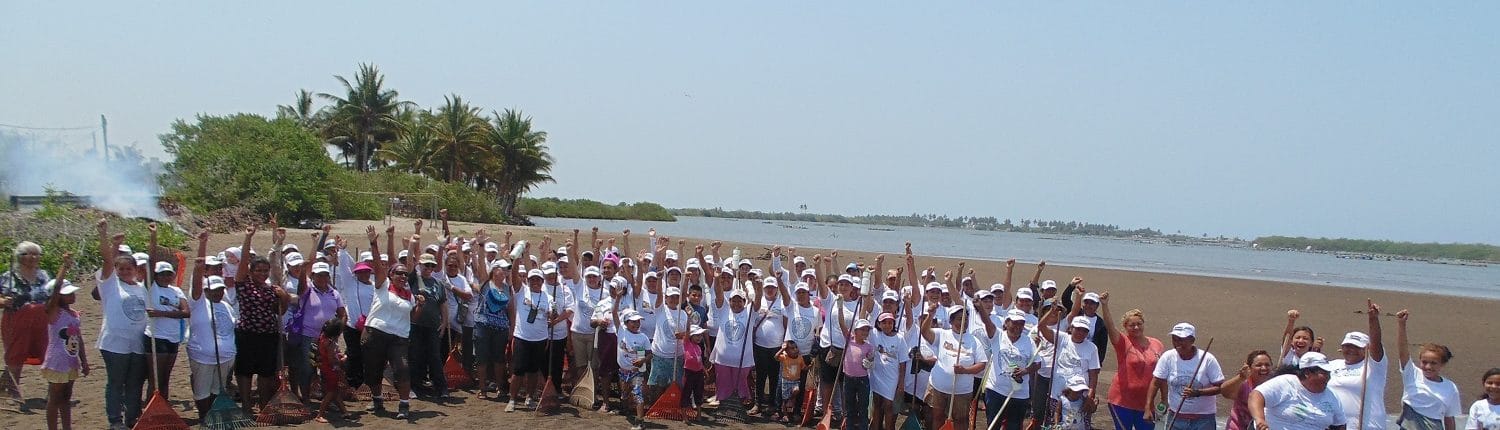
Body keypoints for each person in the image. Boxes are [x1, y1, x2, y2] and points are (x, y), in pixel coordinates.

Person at [92, 219, 150, 430]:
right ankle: (115, 421)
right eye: (121, 268)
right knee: (116, 382)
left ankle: (132, 418)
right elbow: (107, 261)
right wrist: (106, 237)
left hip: (137, 343)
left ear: (136, 269)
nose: (125, 271)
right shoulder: (109, 285)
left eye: (129, 268)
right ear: (116, 270)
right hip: (114, 343)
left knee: (134, 384)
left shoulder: (141, 287)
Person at [363, 225, 416, 418]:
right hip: (376, 332)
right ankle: (377, 400)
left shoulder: (409, 295)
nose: (402, 276)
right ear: (390, 275)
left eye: (405, 274)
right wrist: (374, 243)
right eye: (398, 273)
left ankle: (404, 405)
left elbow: (413, 317)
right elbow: (378, 265)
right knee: (373, 370)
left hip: (399, 337)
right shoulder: (382, 285)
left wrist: (420, 307)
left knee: (402, 368)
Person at [186, 231, 236, 419]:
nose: (217, 293)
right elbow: (197, 280)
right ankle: (204, 416)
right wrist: (202, 245)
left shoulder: (226, 304)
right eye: (213, 290)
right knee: (202, 390)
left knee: (217, 388)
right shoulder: (198, 302)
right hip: (203, 356)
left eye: (220, 290)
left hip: (225, 357)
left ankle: (214, 415)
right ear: (206, 290)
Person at [1098, 291, 1164, 430]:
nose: (1136, 327)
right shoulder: (1123, 342)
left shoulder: (1157, 344)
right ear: (1125, 327)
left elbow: (1162, 375)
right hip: (1122, 401)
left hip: (1146, 403)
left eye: (1139, 324)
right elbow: (1110, 327)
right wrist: (1105, 305)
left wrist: (1164, 399)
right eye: (1131, 325)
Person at [1146, 322, 1225, 430]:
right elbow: (1156, 382)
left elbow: (1221, 387)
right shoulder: (1168, 357)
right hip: (1176, 417)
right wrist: (1148, 407)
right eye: (1175, 339)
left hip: (1203, 420)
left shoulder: (1208, 359)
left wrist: (1198, 393)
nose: (1177, 342)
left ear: (1192, 340)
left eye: (1181, 339)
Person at [921, 303, 988, 430]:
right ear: (951, 321)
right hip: (938, 387)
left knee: (961, 420)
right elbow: (924, 332)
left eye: (966, 319)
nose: (963, 322)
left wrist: (965, 370)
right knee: (937, 417)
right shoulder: (942, 334)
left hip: (962, 391)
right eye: (959, 319)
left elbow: (982, 364)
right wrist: (930, 315)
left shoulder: (974, 341)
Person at [2, 240, 52, 404]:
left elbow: (53, 293)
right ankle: (13, 391)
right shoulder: (8, 276)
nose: (32, 257)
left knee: (49, 351)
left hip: (42, 318)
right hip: (17, 319)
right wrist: (3, 301)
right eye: (28, 254)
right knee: (15, 353)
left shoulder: (44, 275)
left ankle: (53, 391)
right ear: (19, 256)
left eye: (36, 254)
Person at [143, 230, 190, 401]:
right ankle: (151, 412)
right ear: (156, 275)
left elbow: (186, 312)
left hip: (172, 338)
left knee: (165, 380)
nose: (165, 277)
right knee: (155, 380)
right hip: (156, 337)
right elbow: (150, 261)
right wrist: (154, 237)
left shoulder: (176, 290)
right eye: (161, 274)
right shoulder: (151, 288)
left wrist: (160, 313)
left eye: (168, 274)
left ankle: (164, 410)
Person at [467, 231, 514, 400]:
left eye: (507, 269)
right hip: (482, 325)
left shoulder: (508, 288)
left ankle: (501, 388)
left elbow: (511, 310)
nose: (505, 272)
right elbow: (480, 265)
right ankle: (482, 389)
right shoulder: (486, 284)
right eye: (502, 269)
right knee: (481, 358)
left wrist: (511, 329)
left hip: (501, 328)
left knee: (499, 359)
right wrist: (480, 246)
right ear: (495, 270)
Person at [1394, 310, 1460, 430]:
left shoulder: (1450, 387)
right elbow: (1402, 350)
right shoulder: (1412, 374)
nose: (1428, 367)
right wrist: (1401, 324)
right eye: (1424, 362)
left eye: (1433, 363)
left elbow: (1449, 418)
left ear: (1442, 364)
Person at [1328, 300, 1388, 430]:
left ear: (1366, 349)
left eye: (1356, 347)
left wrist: (1373, 320)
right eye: (1347, 346)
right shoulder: (1332, 365)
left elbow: (1376, 344)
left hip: (1368, 426)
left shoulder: (1373, 366)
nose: (1350, 350)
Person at [42, 253, 85, 430]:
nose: (72, 296)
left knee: (66, 397)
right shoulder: (53, 313)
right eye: (67, 294)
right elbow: (55, 290)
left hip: (70, 360)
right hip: (57, 361)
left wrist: (84, 360)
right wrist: (64, 267)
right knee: (54, 398)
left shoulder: (73, 314)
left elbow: (79, 338)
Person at [1249, 352, 1347, 430]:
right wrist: (1260, 419)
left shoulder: (1332, 396)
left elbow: (1340, 425)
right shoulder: (1286, 383)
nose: (1328, 377)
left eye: (1328, 373)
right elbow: (1256, 395)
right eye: (1323, 373)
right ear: (1307, 373)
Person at [981, 309, 1041, 430]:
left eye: (1021, 323)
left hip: (1019, 393)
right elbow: (988, 323)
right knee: (993, 425)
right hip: (996, 390)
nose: (1018, 327)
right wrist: (980, 307)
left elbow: (1037, 363)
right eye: (1014, 323)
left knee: (1014, 426)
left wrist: (1025, 371)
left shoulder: (1029, 341)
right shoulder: (997, 335)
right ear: (1007, 322)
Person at [506, 267, 553, 412]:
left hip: (540, 339)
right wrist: (515, 260)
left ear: (542, 281)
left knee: (533, 371)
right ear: (527, 280)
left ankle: (529, 398)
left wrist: (553, 313)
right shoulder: (521, 291)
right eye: (532, 279)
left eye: (538, 280)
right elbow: (514, 277)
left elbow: (552, 316)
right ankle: (512, 399)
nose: (535, 282)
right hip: (522, 337)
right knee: (518, 370)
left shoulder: (549, 297)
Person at [871, 311, 914, 430]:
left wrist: (901, 384)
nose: (887, 325)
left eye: (890, 323)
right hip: (877, 376)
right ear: (879, 324)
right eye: (884, 323)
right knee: (877, 405)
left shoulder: (899, 338)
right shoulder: (874, 334)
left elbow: (903, 363)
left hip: (892, 378)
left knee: (889, 406)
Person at [615, 308, 652, 430]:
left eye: (638, 322)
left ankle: (640, 421)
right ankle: (625, 409)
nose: (636, 324)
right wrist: (618, 298)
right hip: (623, 371)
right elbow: (614, 313)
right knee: (624, 393)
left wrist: (642, 360)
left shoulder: (643, 337)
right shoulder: (621, 331)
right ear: (626, 323)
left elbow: (650, 354)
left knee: (638, 394)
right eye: (633, 322)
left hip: (636, 372)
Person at [1221, 350, 1275, 430]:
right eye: (1258, 365)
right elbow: (1225, 392)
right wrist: (1240, 377)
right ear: (1249, 367)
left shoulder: (1276, 384)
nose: (1264, 368)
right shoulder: (1244, 383)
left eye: (1267, 365)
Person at [314, 317, 351, 423]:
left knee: (335, 392)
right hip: (331, 370)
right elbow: (332, 360)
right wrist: (343, 359)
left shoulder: (322, 338)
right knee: (331, 393)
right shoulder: (330, 344)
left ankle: (344, 412)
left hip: (324, 368)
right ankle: (320, 414)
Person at [843, 318, 876, 430]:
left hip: (863, 380)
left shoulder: (869, 346)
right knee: (849, 407)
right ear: (855, 331)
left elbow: (871, 361)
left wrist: (870, 362)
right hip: (848, 378)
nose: (865, 332)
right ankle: (850, 427)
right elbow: (842, 323)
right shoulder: (849, 340)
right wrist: (840, 306)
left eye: (867, 330)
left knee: (863, 407)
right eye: (862, 330)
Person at [776, 340, 806, 423]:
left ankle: (791, 399)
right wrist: (782, 349)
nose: (795, 349)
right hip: (786, 381)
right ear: (787, 351)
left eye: (796, 347)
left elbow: (803, 367)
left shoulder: (800, 358)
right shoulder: (785, 357)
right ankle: (785, 415)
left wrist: (809, 367)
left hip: (796, 381)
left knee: (797, 390)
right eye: (792, 348)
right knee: (784, 400)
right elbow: (776, 357)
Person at [682, 324, 708, 409]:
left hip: (698, 372)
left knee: (698, 392)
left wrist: (705, 371)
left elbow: (700, 361)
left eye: (700, 335)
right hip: (689, 372)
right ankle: (685, 415)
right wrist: (689, 317)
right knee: (687, 392)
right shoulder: (686, 344)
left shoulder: (698, 348)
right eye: (697, 335)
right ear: (691, 336)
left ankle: (699, 414)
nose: (699, 337)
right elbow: (687, 331)